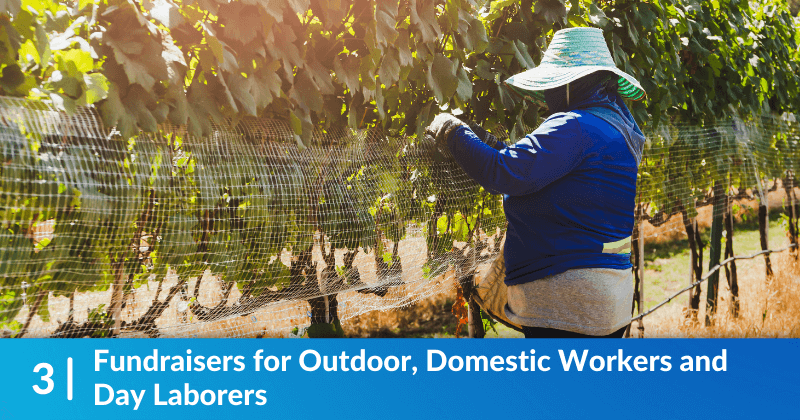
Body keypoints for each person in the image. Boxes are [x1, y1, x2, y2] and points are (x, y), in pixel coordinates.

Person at [425, 27, 646, 338]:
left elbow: (503, 174)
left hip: (568, 303)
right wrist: (486, 141)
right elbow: (536, 170)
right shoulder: (615, 129)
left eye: (553, 85)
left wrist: (450, 129)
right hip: (609, 297)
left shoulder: (574, 125)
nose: (547, 97)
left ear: (573, 83)